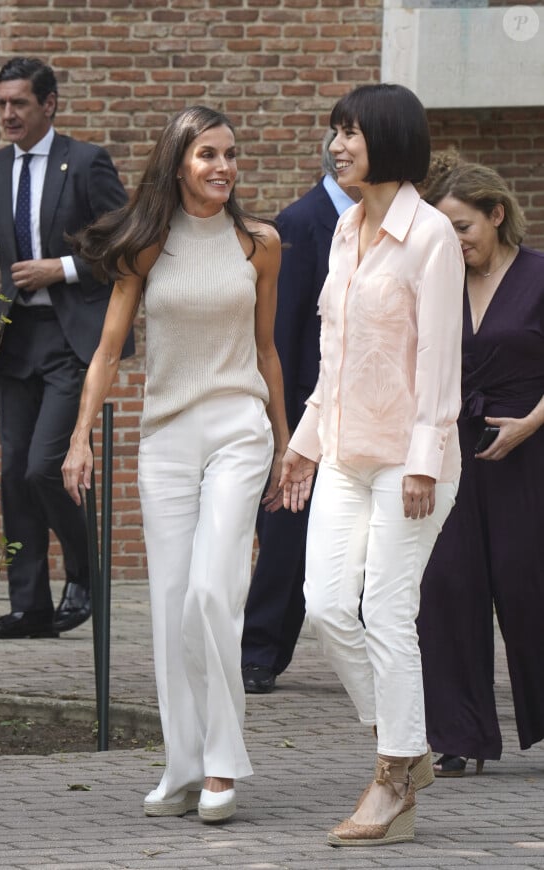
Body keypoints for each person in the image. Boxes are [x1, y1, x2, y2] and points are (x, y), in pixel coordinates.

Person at [61, 106, 289, 823]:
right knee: (169, 606)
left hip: (237, 428)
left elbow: (266, 349)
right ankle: (182, 764)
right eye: (208, 156)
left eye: (230, 154)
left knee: (210, 593)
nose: (223, 167)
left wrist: (284, 441)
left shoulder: (260, 245)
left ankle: (224, 763)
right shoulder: (147, 247)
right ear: (178, 164)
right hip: (164, 436)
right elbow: (106, 351)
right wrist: (80, 437)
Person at [280, 83, 465, 846]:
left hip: (411, 462)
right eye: (334, 133)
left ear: (388, 138)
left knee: (387, 612)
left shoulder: (432, 238)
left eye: (350, 132)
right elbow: (334, 355)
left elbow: (441, 362)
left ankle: (393, 778)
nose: (337, 145)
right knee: (324, 603)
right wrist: (302, 443)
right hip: (347, 452)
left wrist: (425, 458)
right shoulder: (345, 229)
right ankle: (410, 741)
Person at [0, 57, 133, 640]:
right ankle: (31, 608)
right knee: (14, 473)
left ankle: (83, 572)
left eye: (20, 104)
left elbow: (125, 244)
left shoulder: (85, 163)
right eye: (3, 104)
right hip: (13, 342)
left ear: (49, 104)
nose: (8, 114)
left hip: (69, 338)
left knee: (44, 467)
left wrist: (61, 268)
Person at [418, 162, 544, 776]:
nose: (455, 241)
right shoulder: (437, 284)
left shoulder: (542, 275)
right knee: (446, 589)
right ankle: (458, 735)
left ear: (496, 214)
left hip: (529, 455)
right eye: (444, 230)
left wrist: (531, 422)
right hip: (452, 456)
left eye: (463, 227)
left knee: (528, 588)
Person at [241, 133, 355, 694]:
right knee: (285, 531)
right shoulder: (300, 223)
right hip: (307, 409)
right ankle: (259, 650)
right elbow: (278, 337)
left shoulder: (384, 222)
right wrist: (281, 426)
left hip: (364, 409)